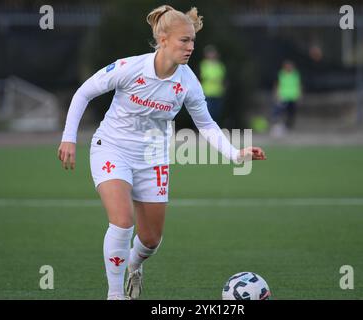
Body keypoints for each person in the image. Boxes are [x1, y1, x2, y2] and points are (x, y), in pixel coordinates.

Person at [57, 5, 266, 300]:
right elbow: (84, 92)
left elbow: (206, 125)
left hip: (153, 155)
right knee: (122, 220)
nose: (191, 47)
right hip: (112, 148)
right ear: (163, 39)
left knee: (151, 240)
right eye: (184, 40)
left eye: (193, 40)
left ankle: (134, 264)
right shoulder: (130, 68)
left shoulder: (188, 82)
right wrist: (69, 137)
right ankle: (115, 295)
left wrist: (234, 154)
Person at [271, 60, 301, 136]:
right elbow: (277, 85)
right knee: (279, 112)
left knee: (291, 114)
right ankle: (278, 127)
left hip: (293, 97)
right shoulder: (281, 74)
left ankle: (288, 127)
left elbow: (298, 84)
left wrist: (299, 94)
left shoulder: (295, 74)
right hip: (283, 97)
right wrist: (277, 94)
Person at [199, 45, 226, 123]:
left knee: (216, 112)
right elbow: (202, 77)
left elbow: (223, 78)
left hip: (218, 92)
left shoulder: (220, 65)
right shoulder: (203, 64)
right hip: (207, 92)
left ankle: (214, 129)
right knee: (208, 112)